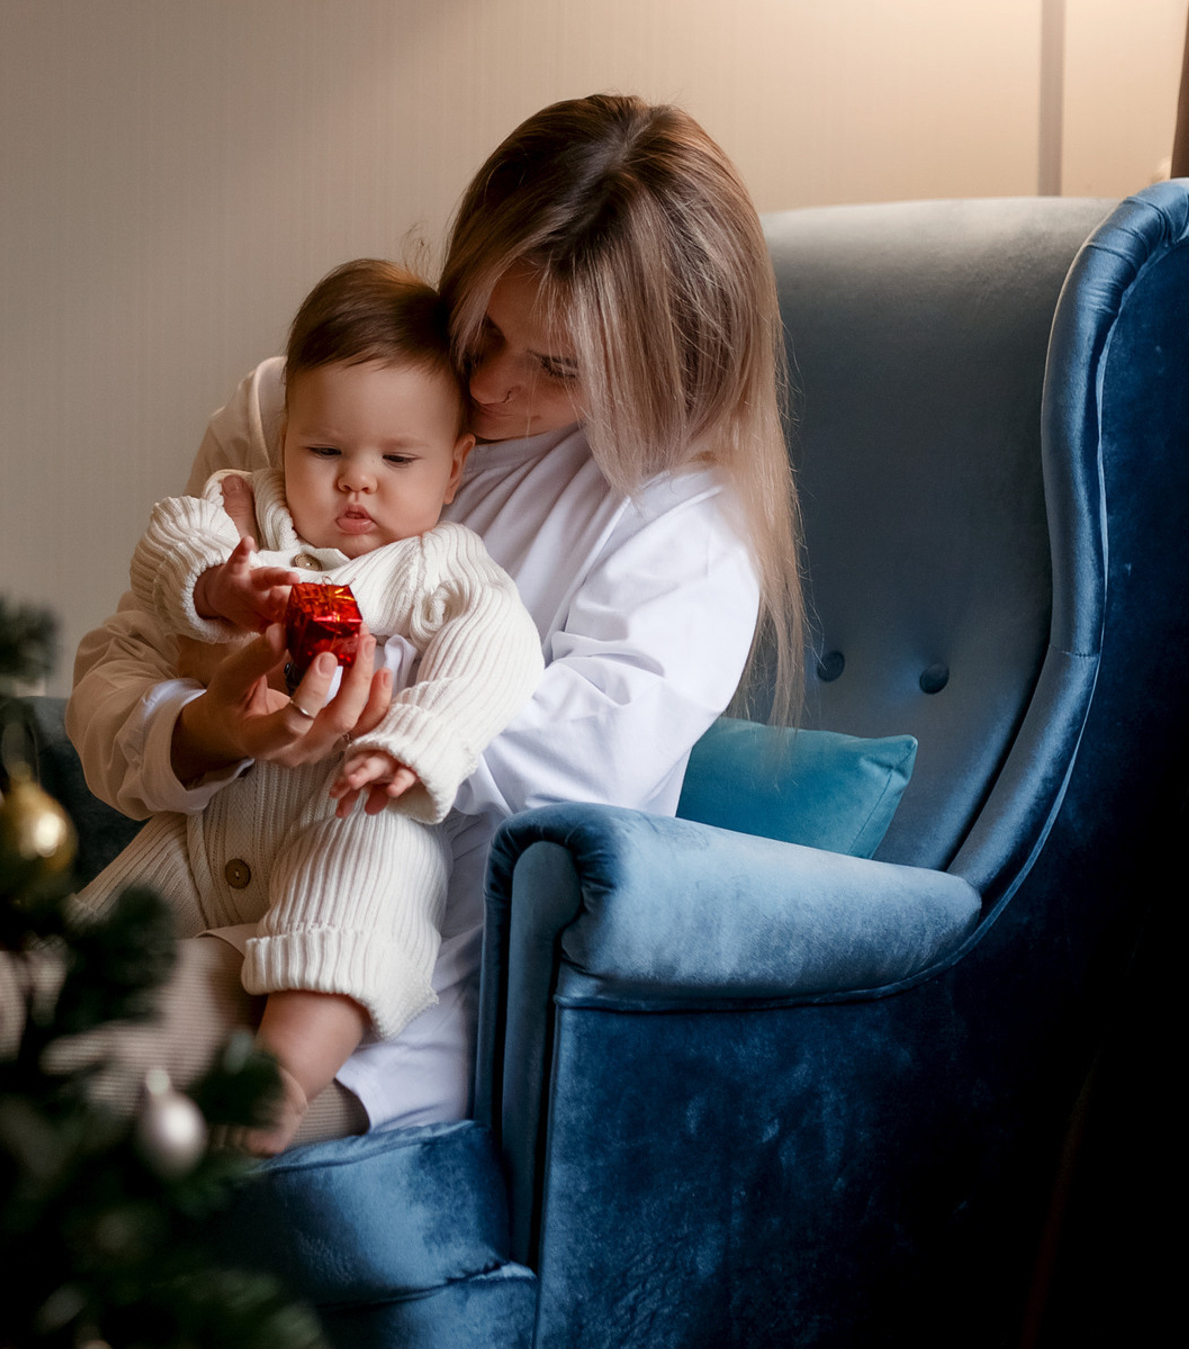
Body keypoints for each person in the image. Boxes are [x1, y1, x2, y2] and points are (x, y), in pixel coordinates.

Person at [66, 93, 802, 1140]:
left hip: (378, 998)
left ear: (657, 362)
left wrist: (357, 692)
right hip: (202, 876)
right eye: (484, 326)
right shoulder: (295, 410)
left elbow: (583, 763)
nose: (494, 384)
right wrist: (210, 727)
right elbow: (129, 665)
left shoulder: (677, 519)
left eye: (558, 368)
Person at [75, 260, 543, 1150]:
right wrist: (218, 585)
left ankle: (281, 1076)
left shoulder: (440, 562)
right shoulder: (254, 514)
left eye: (396, 460)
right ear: (286, 439)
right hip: (211, 831)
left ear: (453, 469)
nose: (356, 483)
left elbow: (498, 649)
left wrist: (416, 743)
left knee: (370, 895)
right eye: (326, 452)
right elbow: (175, 532)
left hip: (345, 806)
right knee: (82, 948)